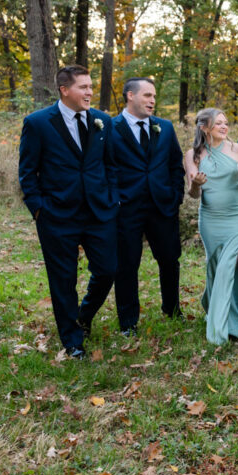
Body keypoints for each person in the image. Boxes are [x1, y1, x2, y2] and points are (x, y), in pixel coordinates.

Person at [18, 65, 118, 358]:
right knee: (63, 279)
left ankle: (83, 316)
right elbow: (27, 172)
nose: (89, 92)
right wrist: (39, 210)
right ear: (65, 90)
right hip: (56, 215)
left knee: (107, 270)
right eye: (83, 87)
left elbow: (110, 164)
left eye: (90, 86)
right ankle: (73, 341)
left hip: (99, 212)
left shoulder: (102, 121)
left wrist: (113, 200)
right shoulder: (37, 123)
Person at [108, 77, 184, 336]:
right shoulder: (110, 127)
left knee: (170, 260)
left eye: (154, 96)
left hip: (162, 206)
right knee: (127, 265)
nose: (152, 101)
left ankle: (172, 309)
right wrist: (114, 200)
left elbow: (176, 164)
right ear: (130, 96)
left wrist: (176, 197)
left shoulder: (165, 127)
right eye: (147, 95)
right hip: (126, 208)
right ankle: (128, 321)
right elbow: (106, 167)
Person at [184, 109, 238, 344]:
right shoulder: (193, 155)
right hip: (211, 218)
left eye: (226, 122)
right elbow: (193, 193)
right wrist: (196, 184)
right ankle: (232, 311)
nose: (224, 126)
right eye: (218, 123)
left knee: (228, 265)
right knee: (217, 265)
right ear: (203, 127)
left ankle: (219, 325)